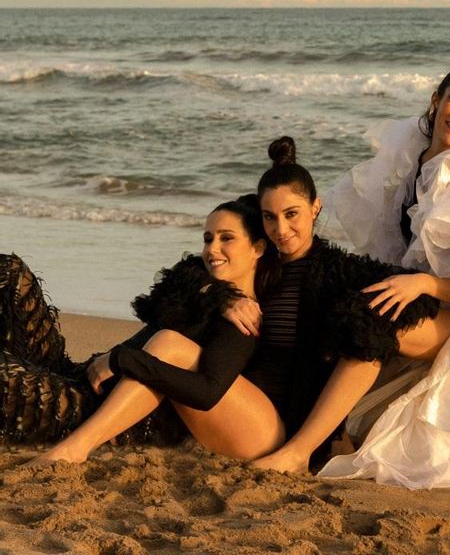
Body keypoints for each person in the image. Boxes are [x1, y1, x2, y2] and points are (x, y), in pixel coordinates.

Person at [318, 61, 450, 488]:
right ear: (436, 100)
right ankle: (324, 432)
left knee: (368, 322)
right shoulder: (411, 162)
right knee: (326, 296)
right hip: (416, 299)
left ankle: (302, 448)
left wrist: (425, 283)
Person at [219, 136, 450, 473]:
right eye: (270, 217)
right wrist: (222, 297)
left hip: (292, 419)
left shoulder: (340, 272)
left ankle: (310, 447)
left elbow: (407, 306)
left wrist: (421, 282)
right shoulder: (255, 262)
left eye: (291, 214)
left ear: (316, 207)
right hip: (248, 404)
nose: (281, 229)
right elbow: (192, 273)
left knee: (368, 327)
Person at [2, 195, 278, 461]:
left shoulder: (242, 318)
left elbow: (204, 392)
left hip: (94, 408)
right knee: (11, 270)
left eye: (226, 238)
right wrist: (216, 293)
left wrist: (120, 359)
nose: (211, 249)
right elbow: (163, 297)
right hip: (80, 376)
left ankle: (73, 449)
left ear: (258, 248)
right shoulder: (202, 290)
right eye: (208, 239)